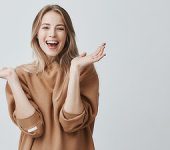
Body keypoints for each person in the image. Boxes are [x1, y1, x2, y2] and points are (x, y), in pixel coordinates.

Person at [0, 4, 106, 150]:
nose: (52, 34)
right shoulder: (22, 75)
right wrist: (12, 78)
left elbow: (72, 124)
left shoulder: (83, 70)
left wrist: (74, 70)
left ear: (68, 35)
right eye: (45, 27)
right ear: (36, 33)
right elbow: (32, 128)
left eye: (60, 28)